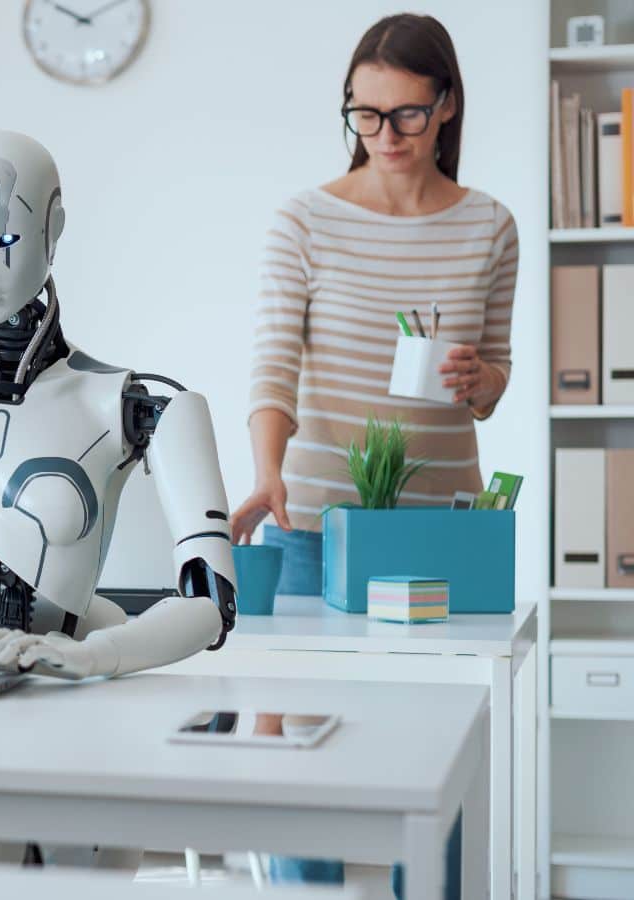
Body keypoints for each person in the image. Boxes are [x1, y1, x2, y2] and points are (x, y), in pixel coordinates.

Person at [230, 13, 516, 898]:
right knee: (298, 766)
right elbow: (273, 368)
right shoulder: (305, 220)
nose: (384, 136)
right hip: (309, 524)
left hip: (440, 538)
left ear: (448, 106)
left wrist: (481, 379)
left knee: (437, 758)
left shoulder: (490, 228)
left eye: (406, 116)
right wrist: (268, 471)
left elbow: (495, 384)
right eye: (364, 114)